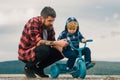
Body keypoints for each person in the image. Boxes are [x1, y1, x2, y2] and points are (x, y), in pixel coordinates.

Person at [18, 6, 68, 78]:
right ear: (42, 18)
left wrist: (65, 52)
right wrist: (58, 43)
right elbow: (38, 42)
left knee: (59, 53)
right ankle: (28, 68)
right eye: (49, 21)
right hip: (26, 52)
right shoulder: (33, 22)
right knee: (45, 49)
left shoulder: (50, 27)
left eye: (53, 21)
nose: (52, 23)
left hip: (40, 50)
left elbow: (53, 42)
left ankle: (38, 68)